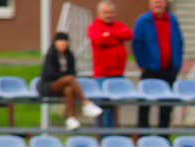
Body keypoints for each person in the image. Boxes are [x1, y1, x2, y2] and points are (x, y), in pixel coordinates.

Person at [133, 0, 183, 130]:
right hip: (150, 70)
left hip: (169, 70)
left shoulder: (172, 20)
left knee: (166, 107)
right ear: (150, 3)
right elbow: (137, 44)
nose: (158, 4)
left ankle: (164, 137)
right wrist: (143, 63)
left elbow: (179, 42)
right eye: (155, 1)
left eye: (161, 1)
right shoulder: (143, 21)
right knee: (145, 105)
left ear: (166, 3)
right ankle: (143, 137)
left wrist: (177, 63)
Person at [38, 32, 103, 131]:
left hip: (65, 85)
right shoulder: (50, 55)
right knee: (69, 79)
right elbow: (50, 74)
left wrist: (66, 77)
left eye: (65, 41)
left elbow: (73, 72)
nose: (63, 43)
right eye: (60, 41)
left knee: (69, 89)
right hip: (49, 86)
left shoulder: (70, 56)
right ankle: (85, 103)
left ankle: (70, 119)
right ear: (55, 43)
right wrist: (65, 76)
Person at [88, 0, 133, 128]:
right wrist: (117, 38)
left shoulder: (117, 25)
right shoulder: (94, 26)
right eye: (105, 12)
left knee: (114, 108)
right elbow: (99, 39)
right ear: (98, 13)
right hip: (102, 74)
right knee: (101, 107)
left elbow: (128, 34)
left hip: (118, 74)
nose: (109, 15)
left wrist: (111, 34)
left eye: (111, 12)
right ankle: (100, 135)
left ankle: (111, 136)